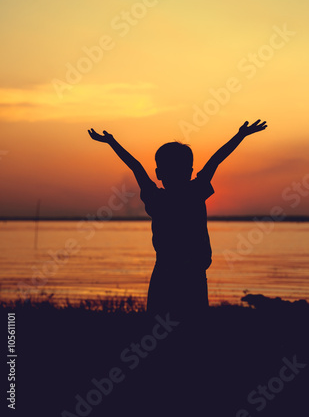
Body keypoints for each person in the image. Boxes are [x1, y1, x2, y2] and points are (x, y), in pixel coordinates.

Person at [88, 119, 267, 318]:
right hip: (191, 275)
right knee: (191, 328)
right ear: (190, 171)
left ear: (158, 173)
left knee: (159, 327)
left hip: (166, 273)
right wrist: (240, 135)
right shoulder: (195, 191)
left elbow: (136, 167)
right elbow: (216, 159)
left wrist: (112, 142)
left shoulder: (157, 198)